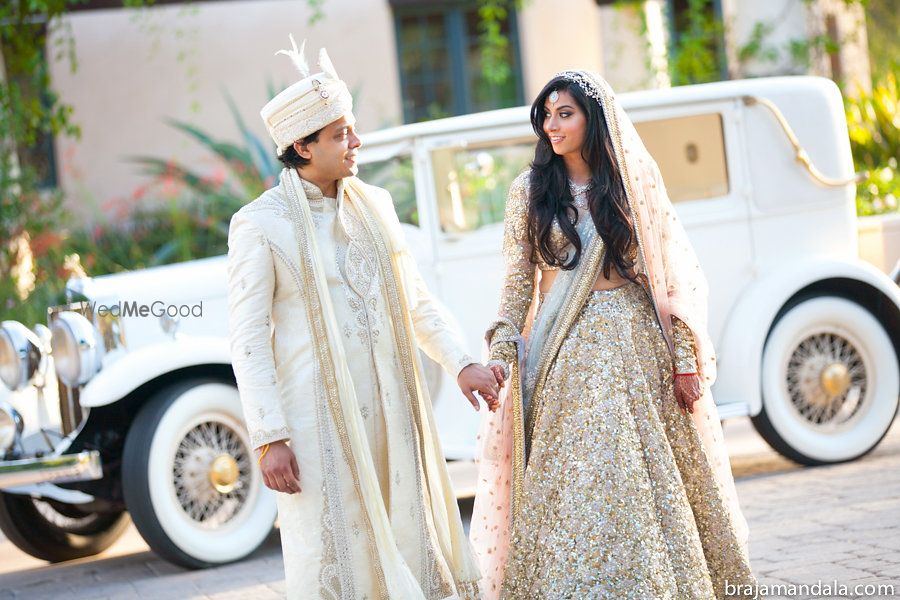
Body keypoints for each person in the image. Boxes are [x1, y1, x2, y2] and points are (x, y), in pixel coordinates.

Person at [226, 36, 497, 599]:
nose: (356, 142)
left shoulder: (375, 205)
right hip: (315, 420)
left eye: (351, 128)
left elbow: (415, 299)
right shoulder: (260, 224)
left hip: (392, 409)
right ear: (302, 146)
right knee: (332, 549)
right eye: (340, 134)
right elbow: (248, 338)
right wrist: (269, 436)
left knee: (406, 537)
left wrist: (462, 361)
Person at [470, 70, 758, 599]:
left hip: (639, 344)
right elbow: (518, 284)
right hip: (565, 354)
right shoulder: (530, 191)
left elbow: (668, 273)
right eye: (547, 114)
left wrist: (685, 357)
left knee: (646, 477)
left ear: (593, 118)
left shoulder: (629, 179)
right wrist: (503, 352)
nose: (552, 126)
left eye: (566, 113)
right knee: (583, 479)